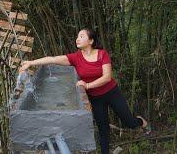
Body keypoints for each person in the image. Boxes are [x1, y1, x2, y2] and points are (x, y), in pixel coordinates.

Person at [19, 28, 150, 154]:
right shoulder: (76, 58)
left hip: (112, 93)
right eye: (77, 36)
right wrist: (31, 63)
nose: (77, 39)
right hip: (96, 99)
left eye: (82, 36)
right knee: (103, 131)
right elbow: (52, 59)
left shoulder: (102, 54)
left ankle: (141, 121)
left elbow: (107, 77)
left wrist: (87, 85)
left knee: (130, 123)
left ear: (91, 41)